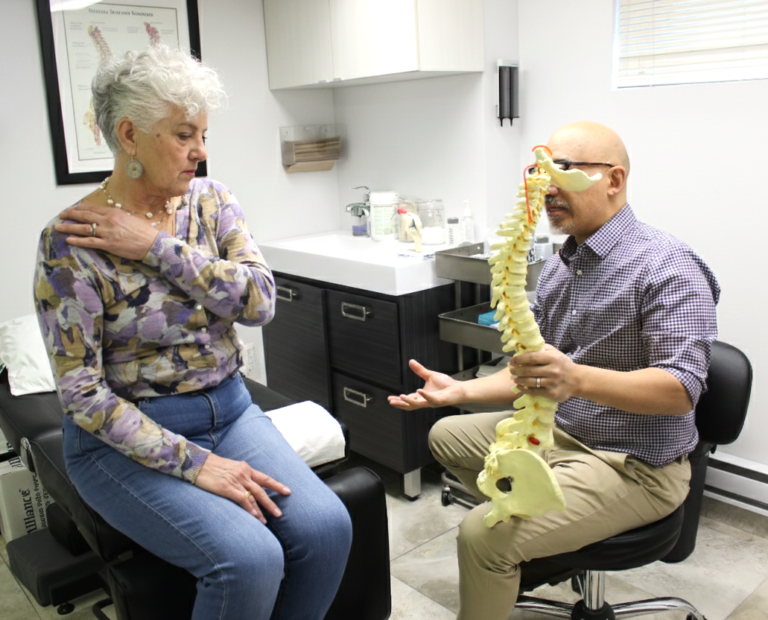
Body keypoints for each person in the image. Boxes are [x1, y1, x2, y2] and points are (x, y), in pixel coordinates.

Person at [34, 44, 352, 620]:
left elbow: (259, 302)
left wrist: (155, 248)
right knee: (248, 558)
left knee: (329, 527)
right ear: (129, 135)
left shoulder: (211, 203)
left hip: (230, 412)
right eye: (184, 135)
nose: (200, 152)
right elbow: (81, 392)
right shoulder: (70, 241)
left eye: (203, 134)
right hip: (122, 441)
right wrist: (196, 464)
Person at [388, 121, 720, 620]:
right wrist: (460, 388)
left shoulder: (668, 266)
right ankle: (540, 537)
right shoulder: (565, 267)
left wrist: (578, 379)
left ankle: (513, 549)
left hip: (634, 464)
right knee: (446, 435)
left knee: (482, 536)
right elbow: (536, 373)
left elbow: (681, 390)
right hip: (561, 434)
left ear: (614, 180)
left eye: (564, 169)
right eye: (540, 171)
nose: (546, 186)